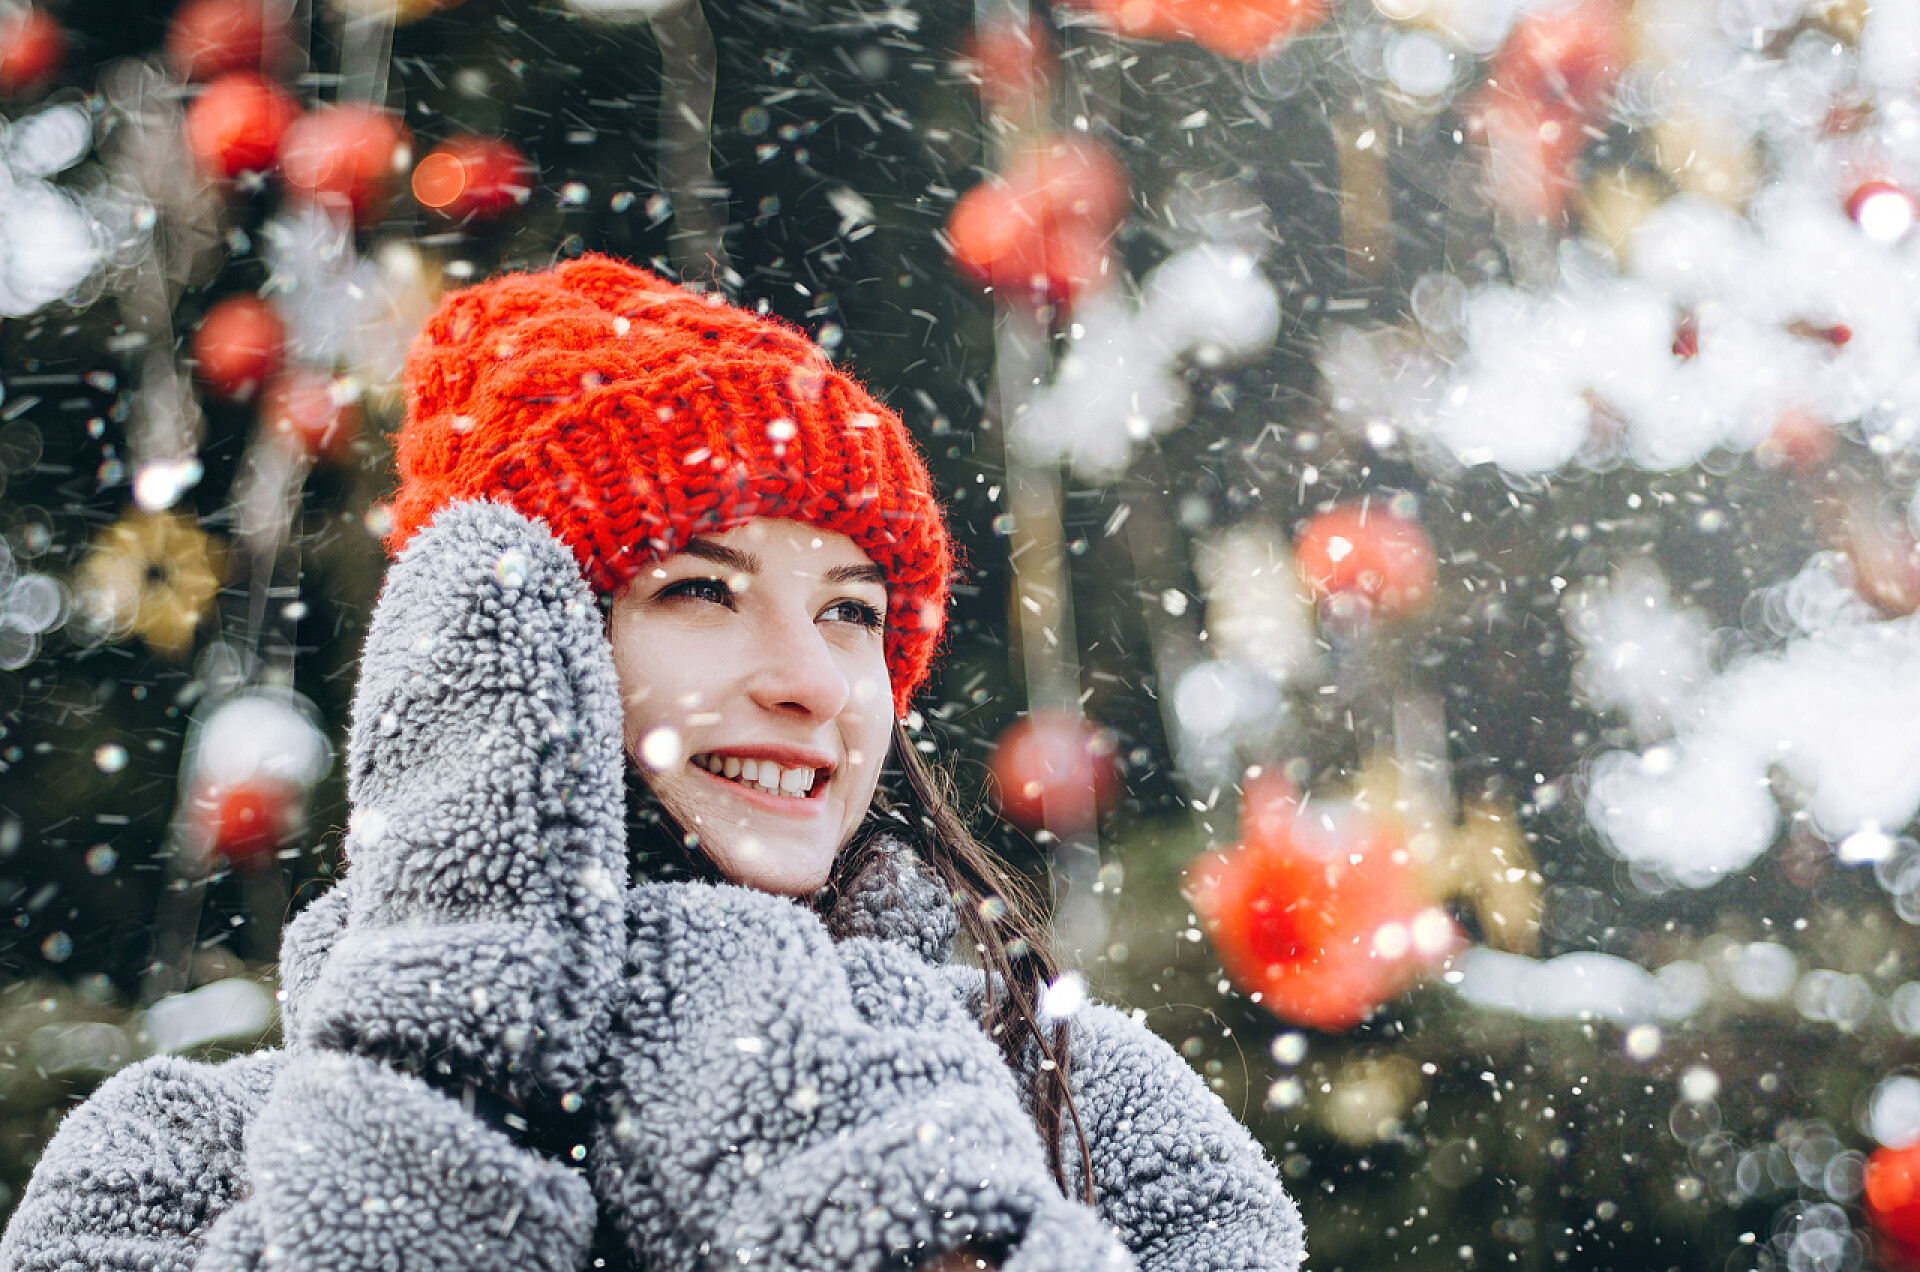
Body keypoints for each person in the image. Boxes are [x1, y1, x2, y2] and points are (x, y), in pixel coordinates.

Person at [0, 256, 1304, 1272]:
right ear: (512, 654)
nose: (807, 675)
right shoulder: (174, 1158)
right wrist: (463, 1029)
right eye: (701, 590)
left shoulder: (1090, 1107)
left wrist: (854, 1157)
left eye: (852, 609)